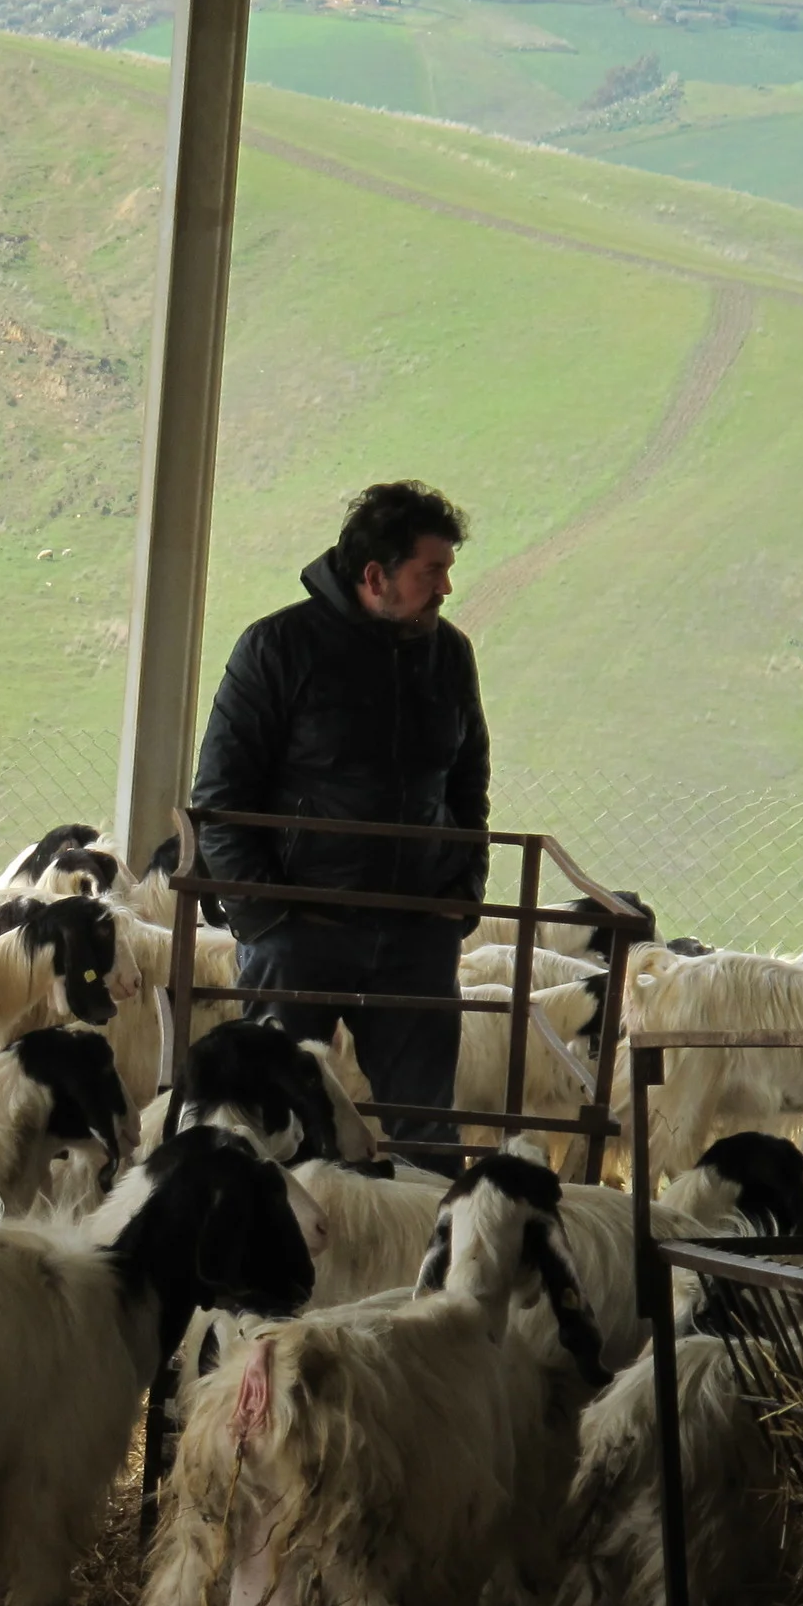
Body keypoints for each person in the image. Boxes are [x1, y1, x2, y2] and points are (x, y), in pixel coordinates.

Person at [188, 481, 488, 1150]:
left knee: (426, 1133)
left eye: (447, 570)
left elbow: (468, 784)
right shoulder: (277, 647)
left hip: (416, 938)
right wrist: (268, 918)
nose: (444, 588)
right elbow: (220, 796)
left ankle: (419, 1249)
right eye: (431, 571)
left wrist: (460, 898)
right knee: (276, 1126)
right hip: (300, 933)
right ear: (376, 575)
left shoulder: (450, 656)